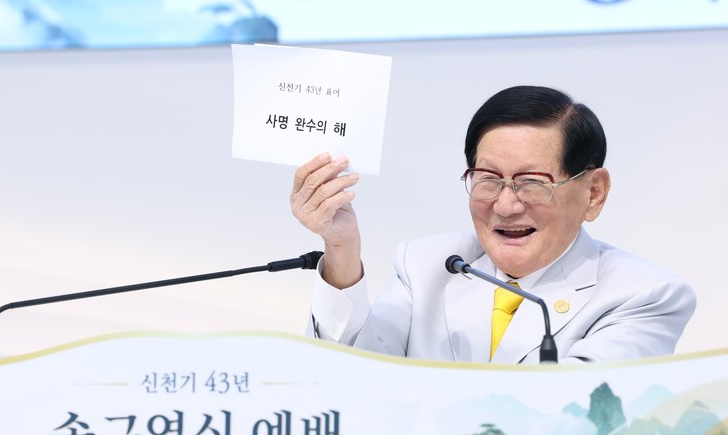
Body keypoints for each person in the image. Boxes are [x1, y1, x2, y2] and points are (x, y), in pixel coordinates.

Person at [289, 85, 696, 364]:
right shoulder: (428, 264)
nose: (505, 205)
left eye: (532, 183)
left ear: (593, 193)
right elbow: (350, 372)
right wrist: (341, 250)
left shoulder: (644, 294)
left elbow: (571, 414)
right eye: (487, 179)